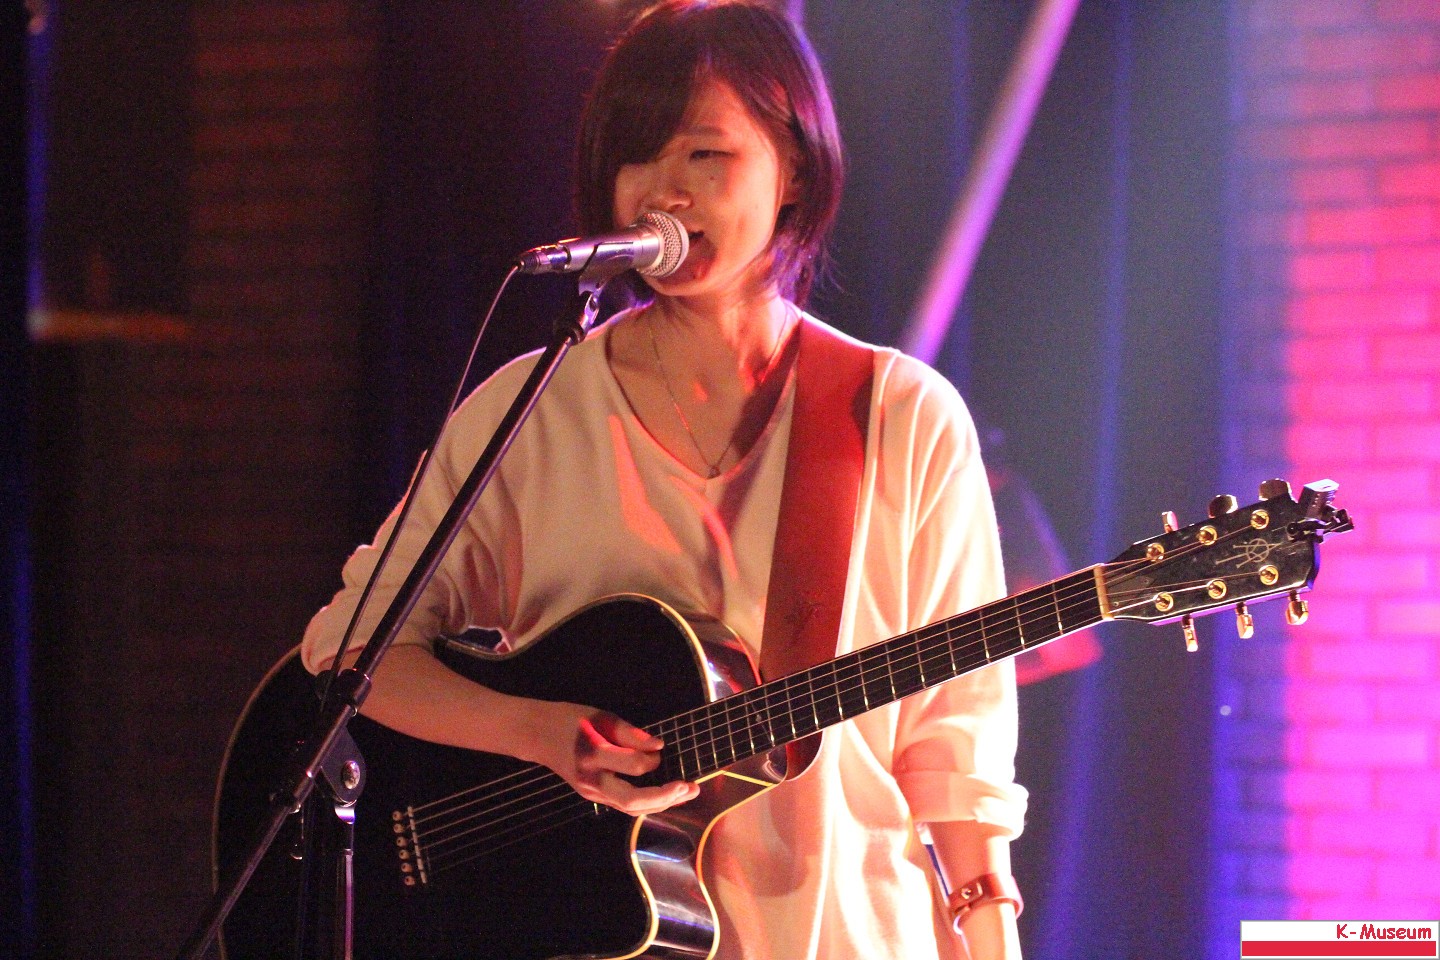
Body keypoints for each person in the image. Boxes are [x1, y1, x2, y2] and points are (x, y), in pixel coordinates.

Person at [302, 2, 1027, 957]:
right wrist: (539, 734)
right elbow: (352, 648)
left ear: (794, 171)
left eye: (705, 155)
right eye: (635, 157)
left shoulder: (899, 415)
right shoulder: (535, 408)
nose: (662, 192)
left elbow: (957, 748)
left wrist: (991, 933)